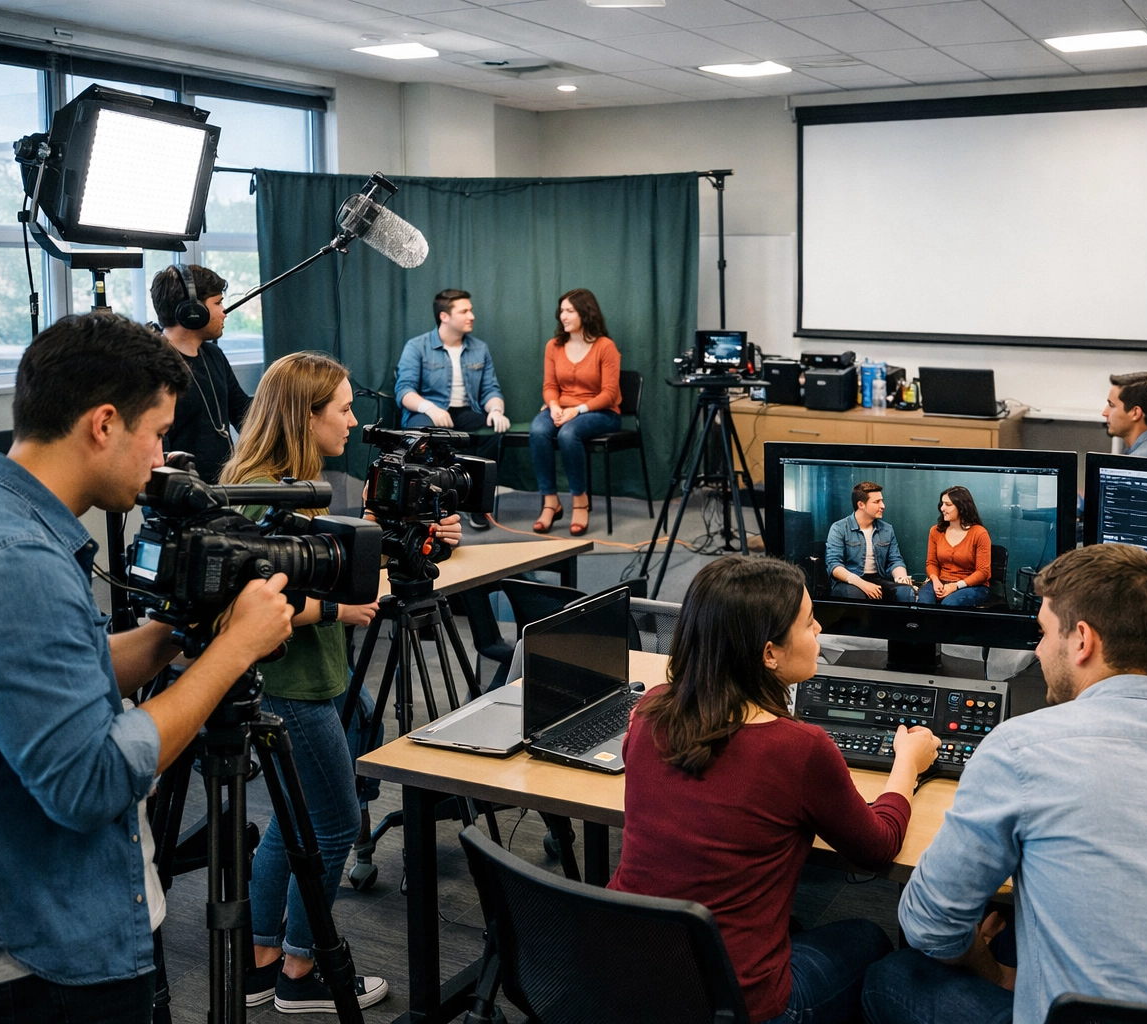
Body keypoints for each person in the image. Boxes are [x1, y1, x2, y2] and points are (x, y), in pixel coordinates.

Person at [0, 314, 294, 1022]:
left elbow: (62, 680)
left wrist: (173, 635)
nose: (162, 457)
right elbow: (91, 780)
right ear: (104, 424)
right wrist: (235, 648)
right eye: (159, 434)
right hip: (42, 962)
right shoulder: (16, 564)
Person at [863, 544, 1147, 1024]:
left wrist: (997, 973)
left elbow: (928, 923)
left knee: (893, 974)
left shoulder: (1020, 750)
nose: (1039, 648)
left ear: (1082, 641)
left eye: (1044, 632)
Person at [224, 352, 460, 1013]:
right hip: (292, 688)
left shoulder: (291, 483)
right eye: (344, 409)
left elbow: (326, 564)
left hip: (307, 678)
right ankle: (303, 969)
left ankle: (263, 959)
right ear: (306, 415)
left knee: (287, 827)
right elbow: (247, 602)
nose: (355, 422)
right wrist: (337, 609)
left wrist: (416, 534)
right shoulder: (266, 494)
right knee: (331, 828)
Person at [609, 556, 940, 1024]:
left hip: (621, 975)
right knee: (869, 937)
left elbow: (637, 753)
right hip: (744, 1005)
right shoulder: (799, 748)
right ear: (769, 654)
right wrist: (906, 765)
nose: (820, 627)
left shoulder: (650, 709)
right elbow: (876, 848)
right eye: (809, 623)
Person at [395, 288, 508, 530]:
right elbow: (404, 391)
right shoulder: (417, 346)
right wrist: (431, 408)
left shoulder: (480, 348)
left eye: (471, 310)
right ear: (445, 316)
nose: (472, 316)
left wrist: (496, 410)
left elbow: (490, 390)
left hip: (466, 413)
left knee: (492, 431)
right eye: (464, 311)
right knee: (418, 436)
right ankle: (419, 508)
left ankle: (477, 503)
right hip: (427, 413)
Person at [529, 288, 621, 537]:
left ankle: (580, 501)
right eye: (561, 311)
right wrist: (555, 406)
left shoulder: (605, 347)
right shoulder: (554, 346)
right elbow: (549, 386)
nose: (563, 316)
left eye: (569, 311)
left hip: (601, 412)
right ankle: (551, 501)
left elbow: (609, 394)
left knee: (568, 434)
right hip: (562, 408)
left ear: (585, 312)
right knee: (538, 429)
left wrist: (576, 410)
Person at [150, 263, 252, 484]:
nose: (224, 312)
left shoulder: (213, 355)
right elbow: (157, 452)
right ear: (192, 310)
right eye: (218, 302)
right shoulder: (155, 365)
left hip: (223, 490)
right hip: (178, 501)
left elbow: (244, 414)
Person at [825, 481, 916, 602]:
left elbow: (895, 560)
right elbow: (834, 565)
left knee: (906, 591)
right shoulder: (839, 528)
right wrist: (862, 584)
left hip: (878, 578)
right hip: (849, 580)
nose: (883, 505)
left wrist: (901, 576)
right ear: (861, 504)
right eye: (876, 502)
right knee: (856, 595)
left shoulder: (887, 529)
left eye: (882, 500)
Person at [919, 486, 992, 607]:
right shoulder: (935, 531)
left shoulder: (979, 533)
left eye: (948, 504)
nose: (942, 508)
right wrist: (935, 581)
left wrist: (955, 586)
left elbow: (983, 572)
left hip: (973, 586)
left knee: (950, 604)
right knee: (924, 602)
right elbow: (931, 563)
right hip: (941, 582)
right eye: (942, 504)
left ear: (961, 507)